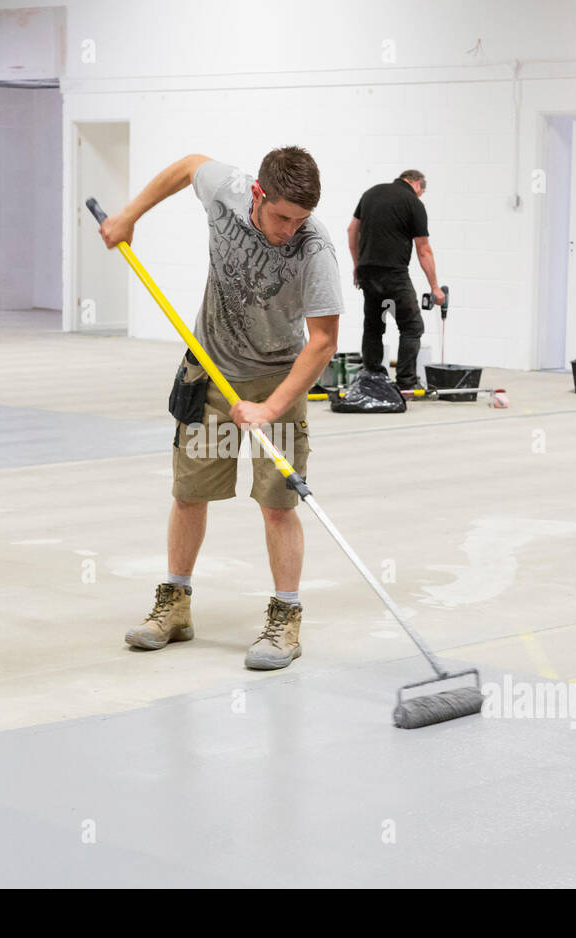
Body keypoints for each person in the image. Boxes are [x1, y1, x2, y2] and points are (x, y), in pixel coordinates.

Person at [97, 147, 343, 670]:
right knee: (190, 494)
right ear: (258, 193)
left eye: (299, 219)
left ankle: (286, 620)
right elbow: (187, 165)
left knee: (278, 504)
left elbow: (322, 342)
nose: (288, 230)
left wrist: (271, 407)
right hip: (209, 372)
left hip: (278, 378)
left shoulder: (315, 249)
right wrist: (128, 215)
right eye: (281, 217)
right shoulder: (228, 189)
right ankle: (176, 606)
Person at [346, 169, 442, 390]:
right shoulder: (413, 202)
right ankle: (406, 381)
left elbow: (352, 230)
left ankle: (372, 379)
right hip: (394, 274)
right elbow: (424, 249)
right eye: (421, 192)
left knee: (373, 326)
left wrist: (357, 264)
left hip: (368, 272)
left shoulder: (371, 193)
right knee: (412, 327)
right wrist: (435, 288)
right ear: (417, 184)